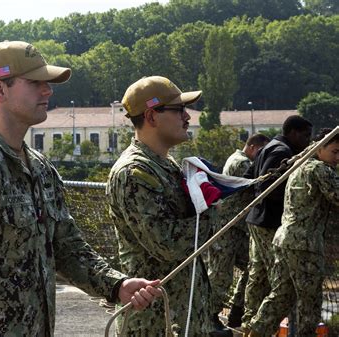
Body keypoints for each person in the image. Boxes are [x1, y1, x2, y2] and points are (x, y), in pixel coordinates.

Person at [0, 41, 161, 337]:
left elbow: (68, 247)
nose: (48, 91)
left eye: (47, 83)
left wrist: (117, 285)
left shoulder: (41, 169)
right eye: (35, 83)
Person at [106, 76, 231, 336]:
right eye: (178, 110)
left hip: (181, 316)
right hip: (155, 322)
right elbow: (168, 245)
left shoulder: (165, 165)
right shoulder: (134, 173)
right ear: (152, 116)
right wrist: (215, 211)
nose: (187, 116)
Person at [247, 128, 339, 337]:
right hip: (304, 245)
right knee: (310, 301)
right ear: (319, 148)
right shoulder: (320, 169)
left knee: (281, 295)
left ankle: (255, 332)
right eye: (334, 152)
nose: (337, 158)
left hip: (284, 240)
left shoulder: (299, 167)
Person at [241, 116, 313, 335]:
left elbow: (249, 177)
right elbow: (266, 186)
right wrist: (291, 201)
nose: (308, 141)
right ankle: (261, 327)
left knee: (259, 275)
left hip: (258, 218)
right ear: (293, 132)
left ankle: (249, 323)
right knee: (279, 279)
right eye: (305, 135)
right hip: (269, 222)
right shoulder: (282, 152)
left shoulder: (269, 146)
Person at [207, 134, 269, 328]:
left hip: (236, 228)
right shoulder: (241, 163)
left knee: (252, 266)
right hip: (228, 227)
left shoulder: (238, 159)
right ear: (252, 147)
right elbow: (257, 185)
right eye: (261, 152)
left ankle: (237, 308)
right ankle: (209, 315)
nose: (262, 157)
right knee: (220, 275)